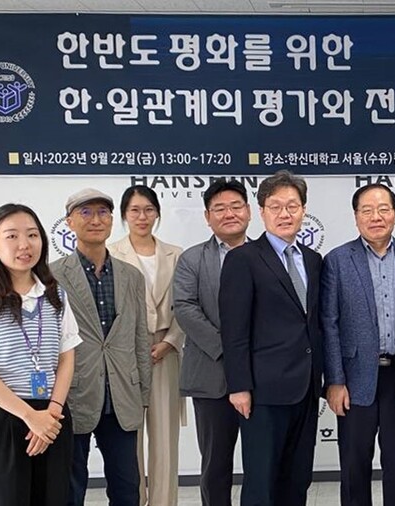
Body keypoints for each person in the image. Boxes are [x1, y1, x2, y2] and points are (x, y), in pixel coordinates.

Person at [0, 203, 81, 506]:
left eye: (32, 235)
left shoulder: (56, 296)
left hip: (52, 418)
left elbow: (66, 358)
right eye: (12, 236)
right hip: (4, 419)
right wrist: (29, 417)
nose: (24, 244)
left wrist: (51, 413)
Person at [220, 170, 324, 506]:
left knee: (297, 478)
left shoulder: (313, 260)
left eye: (292, 206)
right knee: (261, 482)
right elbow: (234, 330)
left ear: (303, 210)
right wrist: (239, 386)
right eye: (275, 206)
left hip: (306, 387)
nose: (285, 214)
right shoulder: (243, 259)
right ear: (262, 212)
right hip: (263, 392)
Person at [50, 188, 151, 506]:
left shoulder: (131, 276)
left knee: (127, 488)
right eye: (86, 212)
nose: (96, 220)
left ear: (112, 220)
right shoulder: (52, 276)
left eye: (103, 212)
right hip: (74, 395)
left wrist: (143, 393)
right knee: (70, 488)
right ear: (69, 221)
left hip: (121, 395)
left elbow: (140, 337)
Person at [321, 183, 395, 506]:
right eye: (367, 210)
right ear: (356, 216)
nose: (376, 217)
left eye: (383, 209)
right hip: (354, 376)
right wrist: (335, 381)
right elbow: (329, 323)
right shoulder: (337, 260)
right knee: (354, 464)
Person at [174, 179, 251, 506]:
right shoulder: (192, 259)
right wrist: (229, 350)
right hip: (211, 376)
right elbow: (185, 309)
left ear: (249, 211)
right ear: (207, 217)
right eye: (219, 209)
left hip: (260, 376)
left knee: (261, 463)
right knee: (215, 466)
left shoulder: (266, 255)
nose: (229, 214)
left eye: (235, 206)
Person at [108, 185, 185, 506]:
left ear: (157, 214)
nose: (142, 217)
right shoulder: (111, 253)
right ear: (124, 215)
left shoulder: (176, 254)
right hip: (125, 355)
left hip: (165, 351)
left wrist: (169, 342)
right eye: (135, 210)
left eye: (149, 210)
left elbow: (186, 306)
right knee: (130, 438)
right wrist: (131, 346)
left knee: (165, 438)